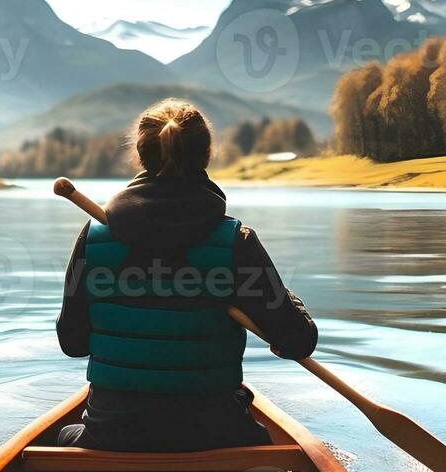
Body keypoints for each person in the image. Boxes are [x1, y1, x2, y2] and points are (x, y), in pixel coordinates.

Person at [56, 99, 317, 452]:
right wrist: (281, 307)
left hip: (113, 433)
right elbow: (299, 340)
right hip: (216, 433)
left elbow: (72, 344)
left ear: (140, 155)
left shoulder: (94, 239)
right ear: (207, 154)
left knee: (62, 439)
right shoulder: (235, 242)